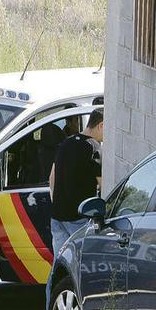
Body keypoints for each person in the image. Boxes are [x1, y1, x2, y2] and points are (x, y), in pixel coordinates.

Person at [49, 108, 104, 256]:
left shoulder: (66, 143)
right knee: (82, 264)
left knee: (61, 264)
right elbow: (102, 183)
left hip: (57, 216)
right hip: (79, 219)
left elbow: (52, 177)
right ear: (101, 125)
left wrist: (58, 202)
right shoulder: (94, 148)